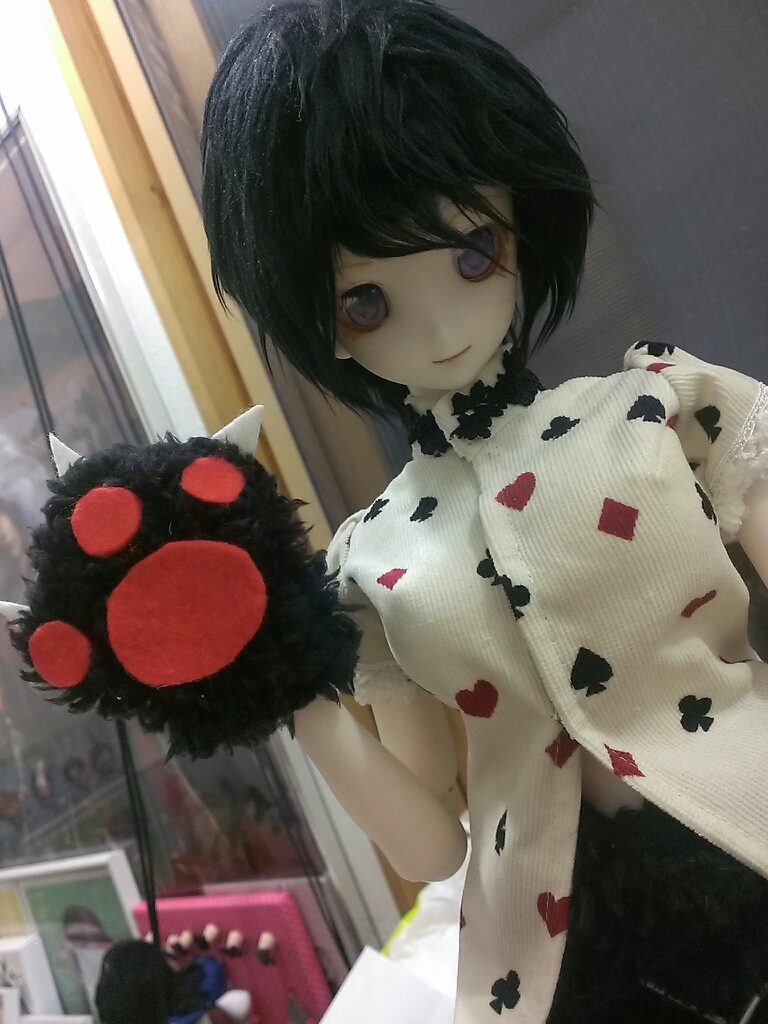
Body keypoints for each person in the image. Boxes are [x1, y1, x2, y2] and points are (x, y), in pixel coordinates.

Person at [200, 2, 768, 1022]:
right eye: (365, 301)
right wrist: (293, 694)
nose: (439, 326)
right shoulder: (373, 559)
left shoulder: (659, 408)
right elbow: (431, 844)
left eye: (473, 251)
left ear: (521, 215)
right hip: (560, 939)